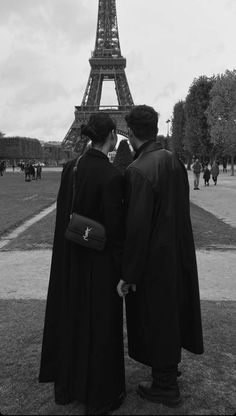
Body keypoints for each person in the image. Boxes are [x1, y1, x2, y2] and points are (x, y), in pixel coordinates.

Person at [117, 105, 204, 408]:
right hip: (177, 252)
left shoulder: (137, 170)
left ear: (129, 132)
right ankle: (167, 372)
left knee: (155, 320)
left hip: (154, 261)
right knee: (170, 316)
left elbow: (137, 230)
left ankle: (165, 387)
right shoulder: (173, 161)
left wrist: (128, 274)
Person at [39, 113, 126, 415]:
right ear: (112, 136)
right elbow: (115, 233)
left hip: (71, 258)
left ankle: (67, 386)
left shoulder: (70, 168)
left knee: (71, 320)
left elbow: (64, 213)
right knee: (100, 327)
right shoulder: (113, 176)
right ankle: (100, 394)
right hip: (100, 263)